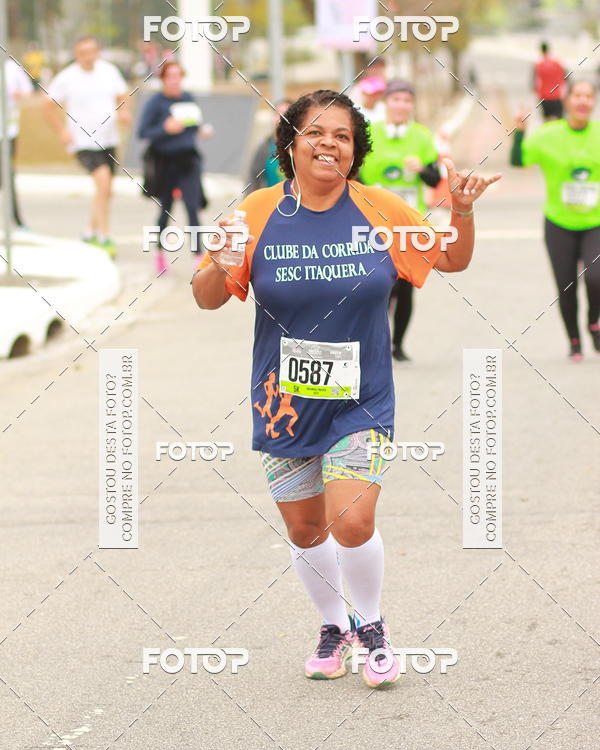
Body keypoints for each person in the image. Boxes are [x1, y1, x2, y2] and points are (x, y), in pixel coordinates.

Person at [192, 89, 500, 688]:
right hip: (284, 402)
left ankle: (374, 624)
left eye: (343, 136)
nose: (329, 143)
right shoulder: (256, 213)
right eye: (316, 132)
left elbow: (450, 260)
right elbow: (207, 296)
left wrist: (460, 213)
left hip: (362, 400)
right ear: (291, 142)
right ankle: (334, 627)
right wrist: (218, 260)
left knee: (352, 521)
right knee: (306, 529)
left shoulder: (382, 210)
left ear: (355, 151)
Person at [511, 81, 600, 360]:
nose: (584, 101)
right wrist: (520, 133)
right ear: (567, 100)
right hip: (559, 223)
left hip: (595, 222)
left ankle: (593, 322)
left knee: (596, 279)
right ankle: (574, 340)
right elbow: (518, 160)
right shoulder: (548, 134)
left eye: (589, 96)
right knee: (566, 285)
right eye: (578, 96)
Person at [360, 80, 441, 362]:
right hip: (374, 224)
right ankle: (375, 342)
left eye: (407, 100)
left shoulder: (422, 137)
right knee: (379, 286)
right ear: (386, 103)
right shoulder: (369, 133)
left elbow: (436, 179)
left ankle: (398, 344)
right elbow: (353, 175)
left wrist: (421, 170)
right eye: (396, 100)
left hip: (410, 225)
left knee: (405, 287)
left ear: (412, 106)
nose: (401, 106)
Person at [45, 36, 131, 258]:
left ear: (98, 51)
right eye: (83, 52)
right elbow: (48, 106)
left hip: (108, 139)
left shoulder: (109, 71)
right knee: (103, 182)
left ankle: (89, 231)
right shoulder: (67, 77)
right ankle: (105, 237)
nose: (88, 56)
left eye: (92, 51)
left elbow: (122, 95)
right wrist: (61, 131)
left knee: (106, 190)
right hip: (82, 141)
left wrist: (123, 112)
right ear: (76, 55)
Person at [138, 60, 213, 275]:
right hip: (164, 161)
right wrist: (165, 128)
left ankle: (198, 256)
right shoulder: (156, 103)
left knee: (192, 207)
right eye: (170, 76)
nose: (175, 80)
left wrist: (202, 131)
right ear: (163, 79)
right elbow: (143, 132)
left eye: (178, 75)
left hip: (188, 160)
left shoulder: (188, 98)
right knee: (166, 209)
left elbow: (193, 125)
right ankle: (159, 253)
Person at [0, 57, 33, 228]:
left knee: (7, 173)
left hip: (8, 132)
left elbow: (28, 91)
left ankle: (16, 220)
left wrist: (20, 95)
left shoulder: (13, 68)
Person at [245, 99, 291, 193]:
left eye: (287, 114)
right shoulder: (265, 147)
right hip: (272, 204)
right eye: (279, 113)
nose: (283, 118)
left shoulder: (302, 146)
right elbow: (253, 179)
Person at [533, 42, 565, 121]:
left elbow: (534, 83)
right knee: (559, 123)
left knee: (547, 123)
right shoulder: (557, 63)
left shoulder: (538, 65)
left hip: (544, 97)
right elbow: (566, 78)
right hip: (557, 96)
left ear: (541, 50)